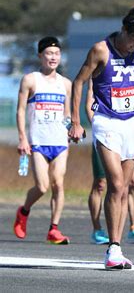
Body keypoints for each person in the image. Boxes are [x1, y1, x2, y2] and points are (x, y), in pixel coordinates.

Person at [68, 7, 134, 270]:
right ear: (125, 29)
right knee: (116, 184)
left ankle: (116, 247)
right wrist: (75, 122)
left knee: (125, 187)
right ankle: (112, 249)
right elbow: (78, 82)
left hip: (132, 122)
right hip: (106, 122)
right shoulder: (101, 50)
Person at [13, 36, 72, 245]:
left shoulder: (66, 84)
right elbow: (20, 110)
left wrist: (72, 128)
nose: (53, 57)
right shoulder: (30, 79)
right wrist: (22, 138)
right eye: (49, 53)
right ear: (40, 55)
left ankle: (53, 229)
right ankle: (24, 211)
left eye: (56, 53)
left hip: (60, 142)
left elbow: (67, 115)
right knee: (42, 186)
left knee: (58, 183)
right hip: (37, 142)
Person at [85, 80, 134, 245]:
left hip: (127, 133)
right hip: (106, 135)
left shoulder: (130, 67)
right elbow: (89, 105)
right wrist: (101, 130)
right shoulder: (101, 70)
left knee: (132, 183)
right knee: (102, 184)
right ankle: (97, 229)